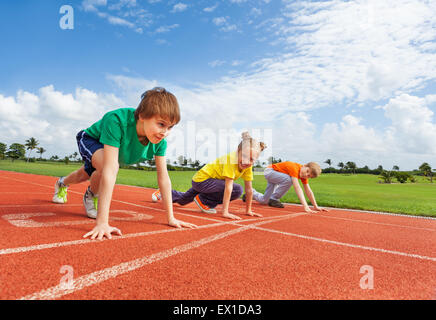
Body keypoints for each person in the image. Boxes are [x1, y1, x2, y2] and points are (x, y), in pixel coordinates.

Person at [52, 87, 197, 240]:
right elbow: (110, 169)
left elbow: (164, 179)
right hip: (91, 139)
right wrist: (102, 223)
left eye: (170, 127)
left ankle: (62, 183)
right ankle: (91, 195)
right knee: (106, 167)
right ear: (142, 116)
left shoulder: (160, 142)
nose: (165, 132)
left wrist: (171, 218)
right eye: (161, 124)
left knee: (84, 174)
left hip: (109, 154)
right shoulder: (115, 120)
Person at [152, 132, 266, 220]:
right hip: (202, 181)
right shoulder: (232, 159)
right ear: (238, 151)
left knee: (182, 201)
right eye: (244, 156)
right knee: (237, 190)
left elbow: (249, 189)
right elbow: (228, 187)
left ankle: (162, 193)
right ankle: (204, 201)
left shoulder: (248, 166)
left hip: (210, 183)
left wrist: (248, 210)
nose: (246, 161)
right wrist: (225, 212)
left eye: (251, 159)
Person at [246, 161, 328, 213]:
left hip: (276, 176)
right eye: (307, 171)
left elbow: (308, 190)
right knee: (289, 180)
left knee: (264, 200)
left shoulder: (303, 176)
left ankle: (250, 193)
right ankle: (274, 198)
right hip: (270, 171)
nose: (306, 175)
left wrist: (315, 206)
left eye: (309, 176)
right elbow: (297, 187)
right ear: (304, 165)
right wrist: (306, 207)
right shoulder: (294, 168)